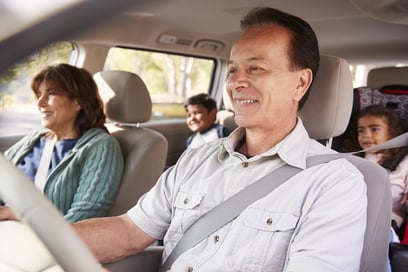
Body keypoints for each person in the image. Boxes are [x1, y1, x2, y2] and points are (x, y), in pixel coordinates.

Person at [73, 7, 367, 271]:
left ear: (300, 83)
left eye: (256, 68)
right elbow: (128, 231)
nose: (236, 82)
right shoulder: (197, 158)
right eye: (233, 70)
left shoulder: (334, 183)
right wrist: (41, 240)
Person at [0, 63, 124, 223]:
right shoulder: (33, 140)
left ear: (78, 102)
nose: (40, 103)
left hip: (42, 243)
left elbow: (84, 215)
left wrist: (16, 214)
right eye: (39, 94)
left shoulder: (100, 147)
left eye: (51, 94)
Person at [356, 104, 408, 230]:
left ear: (392, 133)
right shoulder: (356, 160)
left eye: (374, 129)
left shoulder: (404, 162)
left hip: (387, 223)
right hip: (355, 216)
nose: (366, 135)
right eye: (361, 130)